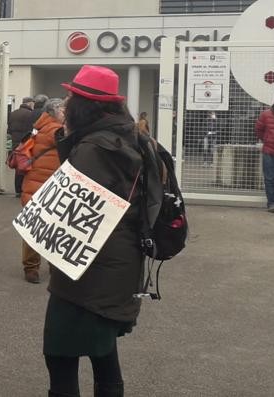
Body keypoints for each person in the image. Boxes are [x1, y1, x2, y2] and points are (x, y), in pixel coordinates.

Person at [45, 65, 161, 397]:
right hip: (118, 264)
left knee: (60, 354)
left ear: (86, 105)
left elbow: (69, 211)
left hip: (87, 270)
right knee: (102, 351)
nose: (66, 103)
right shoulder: (130, 137)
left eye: (71, 97)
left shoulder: (94, 149)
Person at [20, 99, 64, 284]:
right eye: (63, 109)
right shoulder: (56, 130)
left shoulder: (40, 126)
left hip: (34, 183)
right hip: (49, 184)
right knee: (54, 227)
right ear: (53, 111)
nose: (65, 112)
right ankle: (51, 266)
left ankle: (31, 267)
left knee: (34, 227)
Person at [8, 96, 36, 197]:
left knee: (18, 167)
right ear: (30, 103)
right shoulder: (30, 114)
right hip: (26, 143)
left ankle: (18, 189)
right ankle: (25, 189)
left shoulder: (13, 113)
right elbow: (32, 128)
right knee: (26, 165)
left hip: (15, 142)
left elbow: (9, 128)